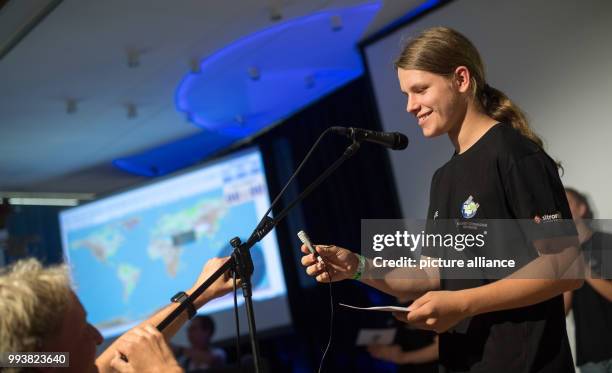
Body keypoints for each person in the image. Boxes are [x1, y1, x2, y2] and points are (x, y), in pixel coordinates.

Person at [301, 27, 583, 372]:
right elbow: (431, 273)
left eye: (419, 90)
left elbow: (565, 266)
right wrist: (357, 266)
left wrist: (463, 303)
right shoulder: (444, 178)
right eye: (406, 94)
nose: (410, 106)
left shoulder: (512, 153)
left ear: (461, 79)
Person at [0, 256, 234, 373]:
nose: (98, 337)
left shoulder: (39, 359)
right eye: (82, 331)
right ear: (45, 356)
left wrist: (200, 293)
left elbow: (117, 354)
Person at [563, 187, 612, 372]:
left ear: (582, 209)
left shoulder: (607, 243)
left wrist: (582, 269)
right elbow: (563, 311)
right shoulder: (563, 255)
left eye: (567, 202)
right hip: (590, 357)